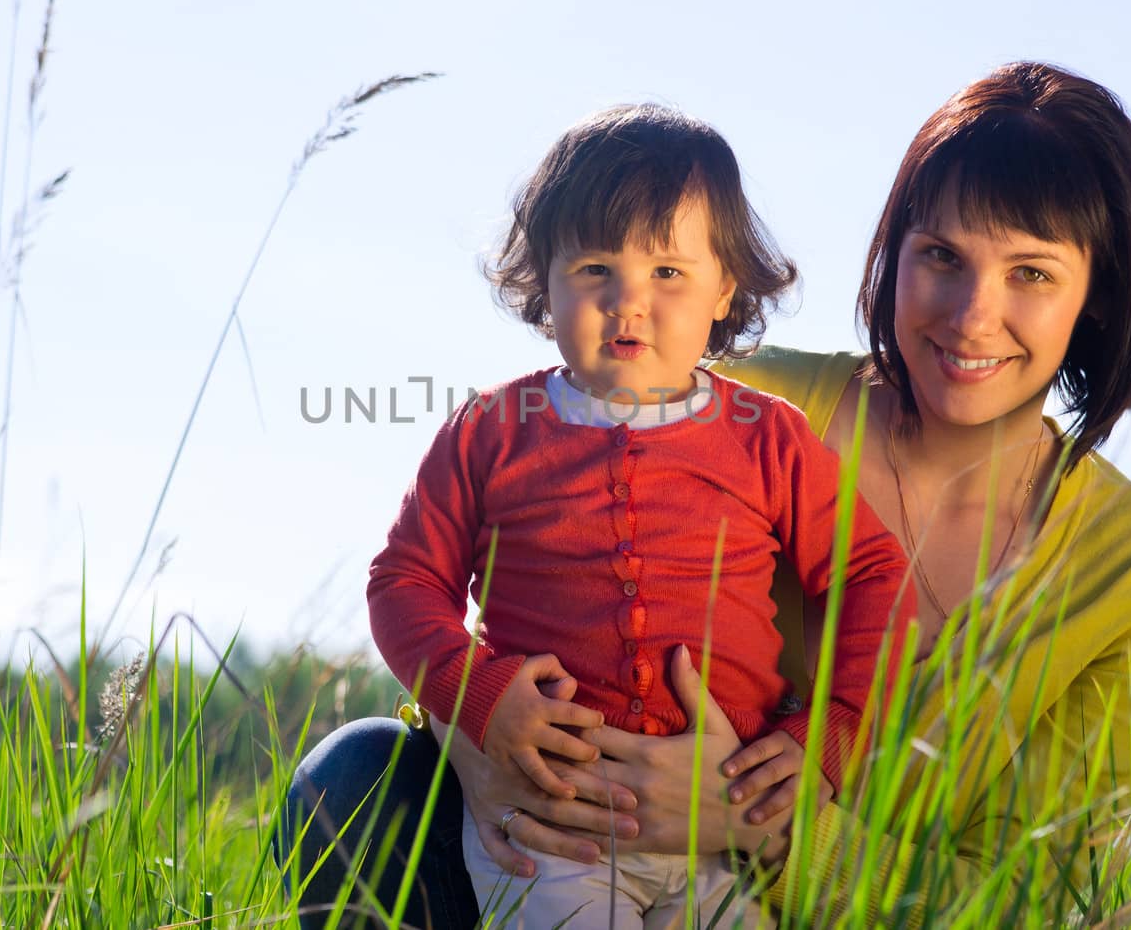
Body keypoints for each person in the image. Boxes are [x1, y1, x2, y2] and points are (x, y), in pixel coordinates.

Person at [278, 62, 1131, 926]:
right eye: (941, 257)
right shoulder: (730, 402)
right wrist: (484, 743)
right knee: (354, 775)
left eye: (1032, 274)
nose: (971, 314)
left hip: (762, 901)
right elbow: (490, 574)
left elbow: (1027, 906)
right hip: (562, 850)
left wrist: (758, 821)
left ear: (1097, 292)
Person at [362, 104, 915, 928]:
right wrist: (477, 694)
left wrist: (828, 732)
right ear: (543, 279)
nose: (629, 302)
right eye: (594, 269)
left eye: (667, 273)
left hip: (723, 835)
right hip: (553, 828)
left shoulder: (769, 439)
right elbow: (404, 581)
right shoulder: (488, 431)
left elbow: (871, 577)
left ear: (725, 286)